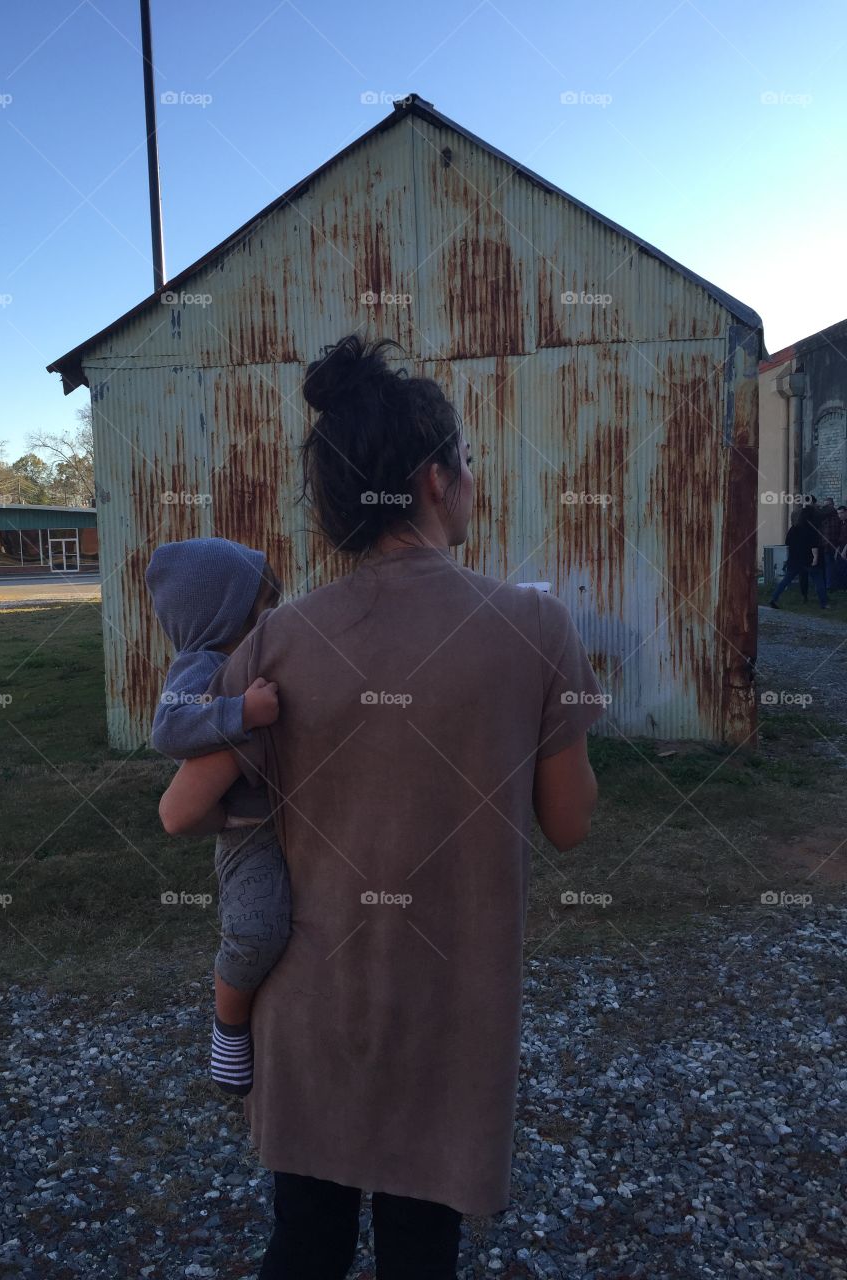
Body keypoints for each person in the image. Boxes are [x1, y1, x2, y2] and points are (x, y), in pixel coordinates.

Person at [159, 335, 604, 1279]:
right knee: (419, 1253)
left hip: (310, 1016)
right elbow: (570, 825)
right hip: (453, 1022)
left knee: (304, 1246)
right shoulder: (536, 629)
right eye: (469, 462)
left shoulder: (277, 641)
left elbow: (183, 807)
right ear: (438, 479)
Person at [146, 537, 286, 1095]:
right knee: (254, 931)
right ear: (223, 613)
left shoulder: (256, 654)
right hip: (248, 831)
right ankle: (229, 1029)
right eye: (262, 608)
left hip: (292, 819)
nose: (271, 618)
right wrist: (241, 711)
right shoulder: (201, 663)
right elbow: (168, 730)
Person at [769, 508, 828, 608]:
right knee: (818, 580)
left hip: (794, 559)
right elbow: (814, 546)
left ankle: (774, 598)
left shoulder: (794, 528)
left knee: (786, 580)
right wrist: (815, 559)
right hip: (809, 559)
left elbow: (787, 542)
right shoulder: (812, 530)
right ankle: (823, 603)